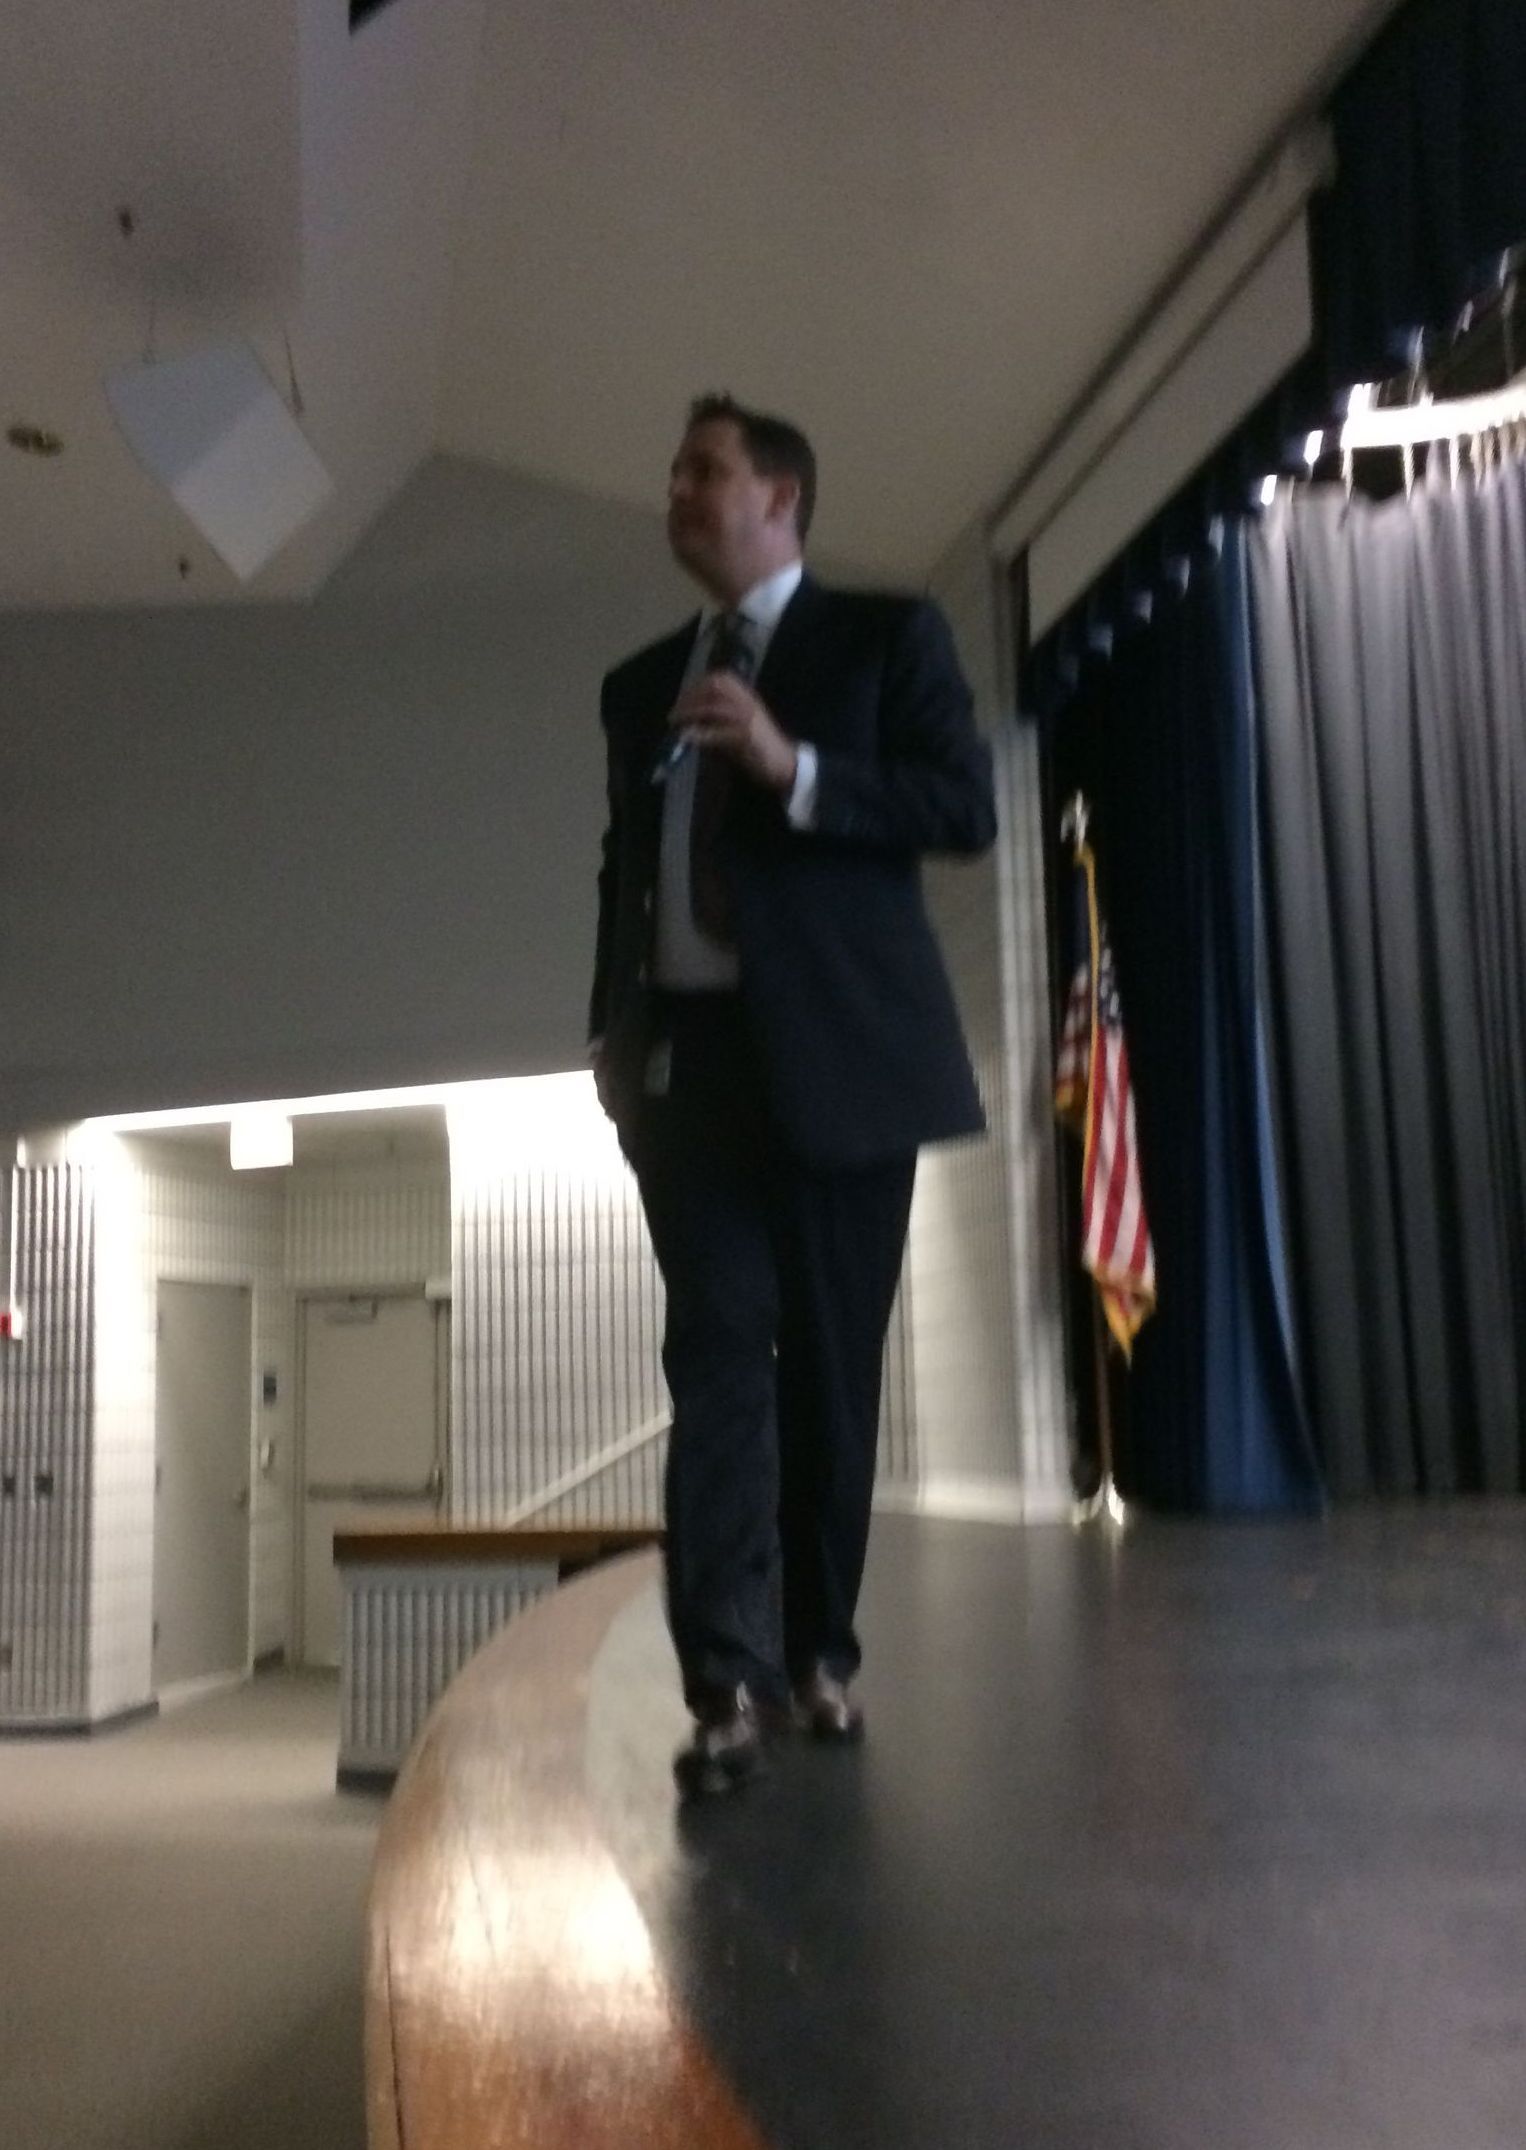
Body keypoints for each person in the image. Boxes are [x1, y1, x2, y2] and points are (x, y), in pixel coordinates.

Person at [590, 392, 996, 1798]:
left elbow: (961, 806)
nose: (676, 490)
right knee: (715, 1363)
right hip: (687, 1076)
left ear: (781, 499)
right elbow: (625, 871)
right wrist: (608, 1036)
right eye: (675, 468)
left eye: (703, 469)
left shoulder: (884, 638)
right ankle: (726, 1684)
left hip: (841, 1068)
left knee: (827, 1368)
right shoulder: (636, 683)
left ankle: (818, 1648)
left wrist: (792, 766)